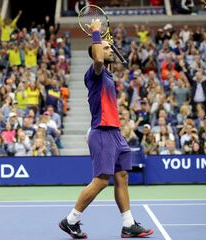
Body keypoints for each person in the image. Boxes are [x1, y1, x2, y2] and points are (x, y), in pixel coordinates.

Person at [59, 19, 153, 239]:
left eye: (111, 47)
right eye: (106, 47)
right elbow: (100, 57)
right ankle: (70, 220)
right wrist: (95, 32)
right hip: (101, 132)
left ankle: (128, 224)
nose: (110, 49)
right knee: (102, 180)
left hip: (115, 133)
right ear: (96, 52)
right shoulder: (95, 73)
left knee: (121, 176)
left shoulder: (108, 76)